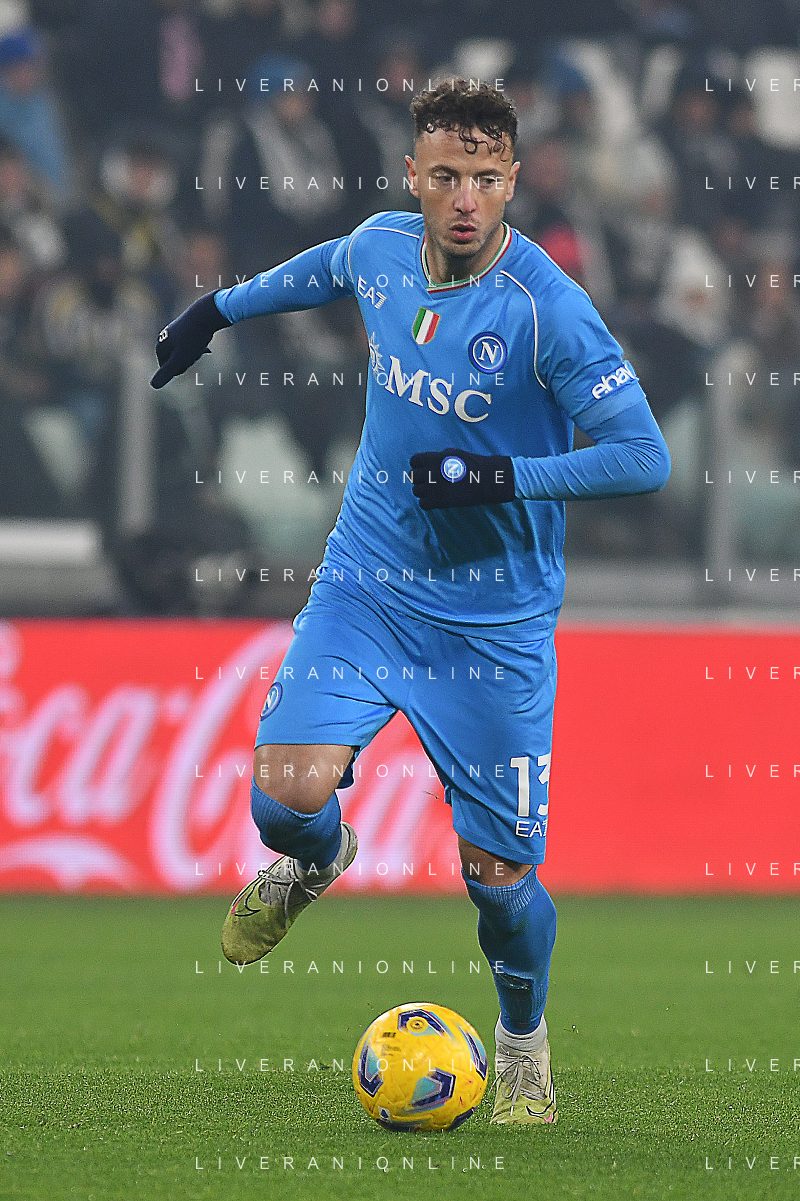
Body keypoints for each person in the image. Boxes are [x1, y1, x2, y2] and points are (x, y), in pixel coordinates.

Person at [151, 79, 671, 1125]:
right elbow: (322, 270)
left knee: (498, 879)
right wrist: (215, 310)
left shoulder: (546, 308)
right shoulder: (382, 247)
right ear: (413, 177)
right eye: (444, 177)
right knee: (283, 798)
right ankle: (317, 861)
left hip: (494, 625)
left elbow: (642, 456)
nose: (464, 199)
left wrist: (497, 478)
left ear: (511, 180)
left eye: (484, 178)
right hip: (368, 586)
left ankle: (521, 1043)